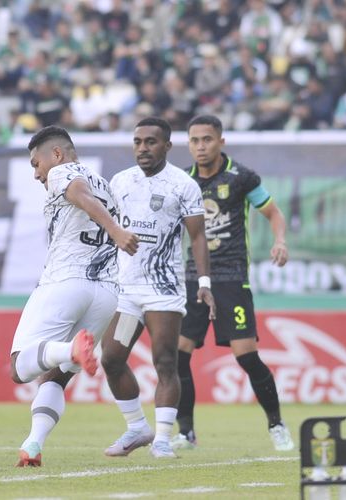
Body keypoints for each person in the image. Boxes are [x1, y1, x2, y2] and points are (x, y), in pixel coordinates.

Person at [9, 126, 139, 466]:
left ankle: (71, 349)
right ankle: (33, 445)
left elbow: (77, 192)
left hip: (66, 281)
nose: (37, 174)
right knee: (57, 374)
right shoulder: (107, 186)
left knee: (19, 365)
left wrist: (115, 230)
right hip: (106, 294)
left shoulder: (64, 172)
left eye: (36, 164)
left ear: (56, 154)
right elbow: (89, 200)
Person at [171, 114, 294, 452]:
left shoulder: (242, 177)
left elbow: (274, 213)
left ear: (220, 141)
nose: (200, 146)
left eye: (207, 139)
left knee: (246, 357)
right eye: (194, 140)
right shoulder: (182, 181)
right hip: (194, 279)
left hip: (231, 277)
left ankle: (277, 425)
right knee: (178, 356)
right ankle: (186, 433)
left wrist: (280, 240)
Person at [101, 117, 216, 459]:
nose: (142, 148)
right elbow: (107, 227)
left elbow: (197, 237)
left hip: (163, 289)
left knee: (165, 361)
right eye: (137, 142)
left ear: (167, 146)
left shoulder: (183, 185)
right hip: (126, 291)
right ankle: (137, 428)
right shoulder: (120, 182)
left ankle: (163, 439)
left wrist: (204, 283)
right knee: (111, 358)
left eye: (150, 142)